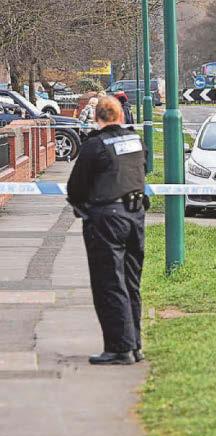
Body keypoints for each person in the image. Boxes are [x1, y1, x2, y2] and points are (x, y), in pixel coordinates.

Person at [67, 96, 148, 365]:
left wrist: (84, 206)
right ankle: (135, 345)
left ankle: (118, 348)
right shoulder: (135, 141)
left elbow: (75, 187)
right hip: (135, 216)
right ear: (121, 116)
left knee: (109, 283)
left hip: (106, 220)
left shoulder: (95, 145)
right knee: (130, 281)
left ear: (96, 117)